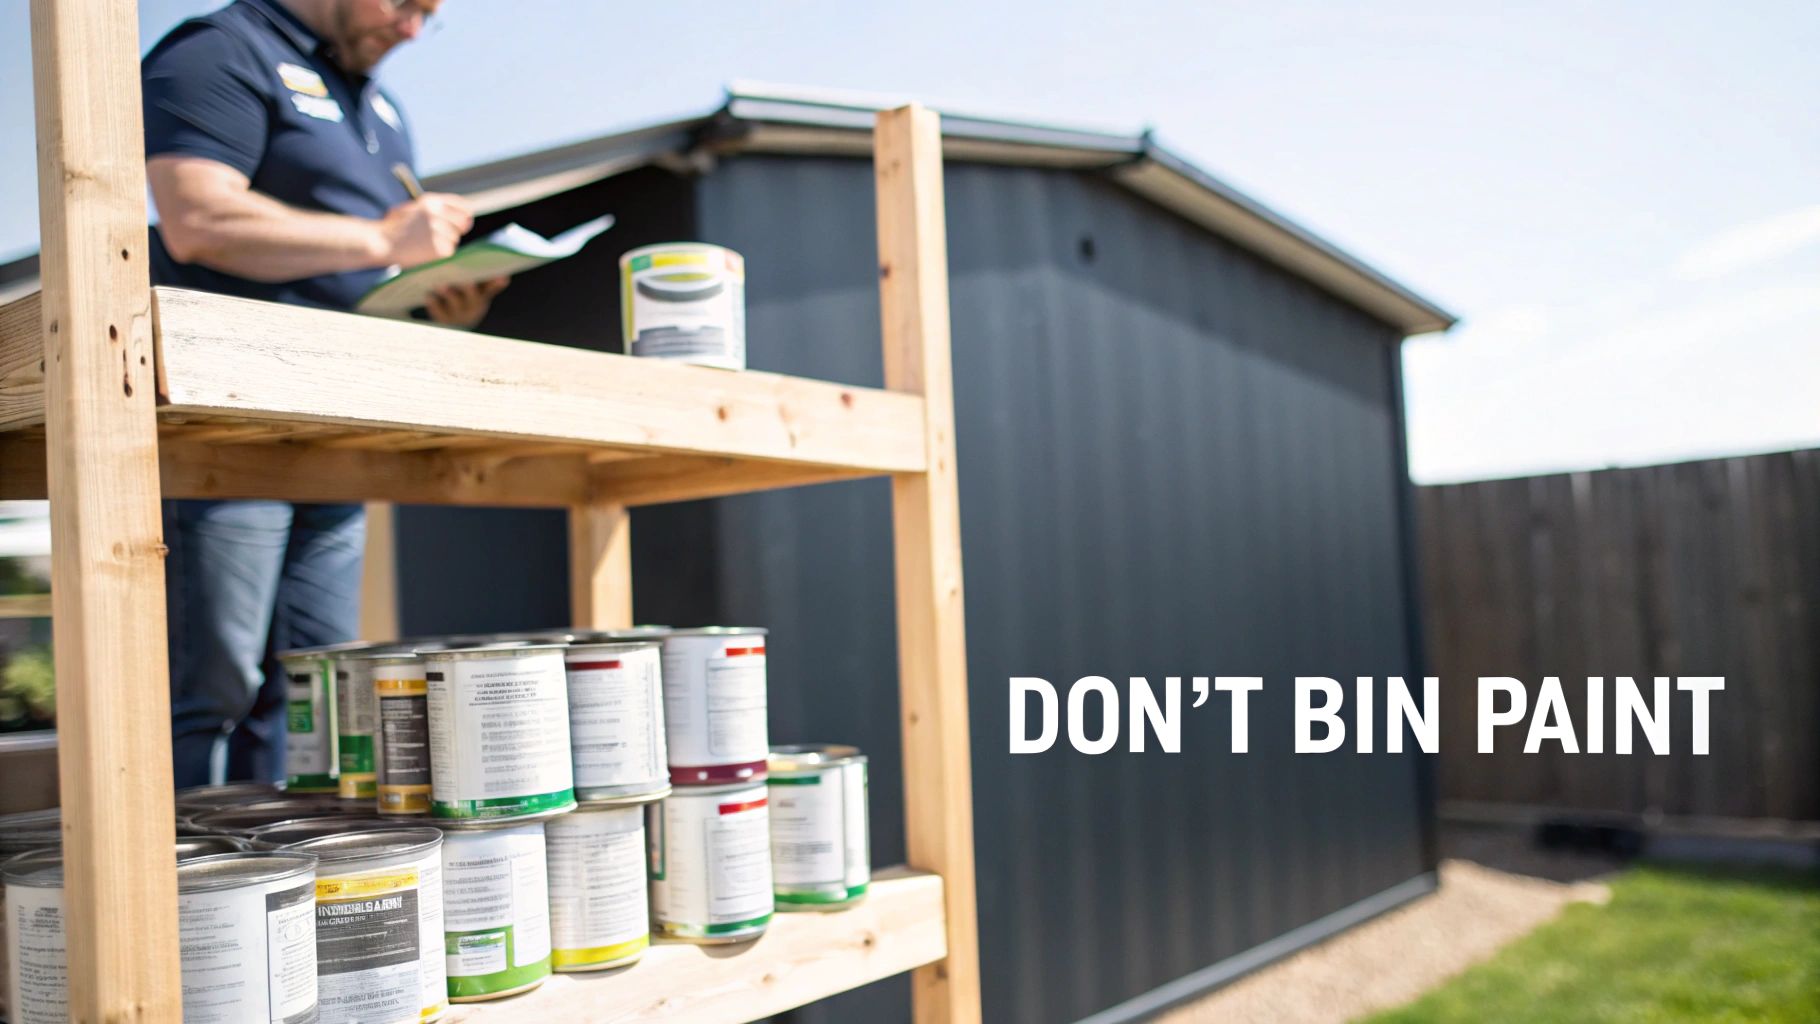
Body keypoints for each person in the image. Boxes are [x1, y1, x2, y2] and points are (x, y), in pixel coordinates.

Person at [142, 0, 506, 787]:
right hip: (224, 429)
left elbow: (355, 269)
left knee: (317, 687)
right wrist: (383, 239)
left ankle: (286, 881)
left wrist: (438, 293)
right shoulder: (222, 49)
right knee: (213, 687)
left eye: (429, 16)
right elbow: (196, 218)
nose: (412, 29)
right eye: (406, 3)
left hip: (336, 432)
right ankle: (184, 896)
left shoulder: (380, 105)